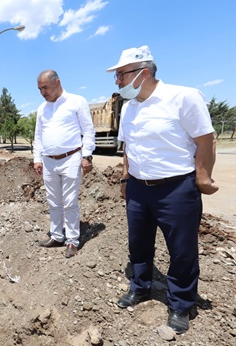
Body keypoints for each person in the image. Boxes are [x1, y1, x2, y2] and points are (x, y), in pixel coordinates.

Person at [107, 45, 218, 334]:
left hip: (176, 190)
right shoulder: (129, 107)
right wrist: (125, 178)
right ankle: (140, 287)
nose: (117, 81)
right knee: (138, 244)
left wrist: (203, 177)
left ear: (143, 73)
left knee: (182, 250)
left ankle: (181, 303)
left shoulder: (183, 97)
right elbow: (128, 147)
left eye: (120, 75)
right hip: (138, 190)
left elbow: (206, 139)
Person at [33, 70, 96, 258]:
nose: (42, 92)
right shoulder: (42, 109)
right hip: (48, 161)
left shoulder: (76, 102)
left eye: (45, 87)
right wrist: (37, 158)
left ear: (57, 82)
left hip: (71, 159)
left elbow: (89, 131)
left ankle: (72, 241)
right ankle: (57, 236)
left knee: (69, 202)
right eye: (39, 89)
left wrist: (87, 156)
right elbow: (38, 136)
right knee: (53, 201)